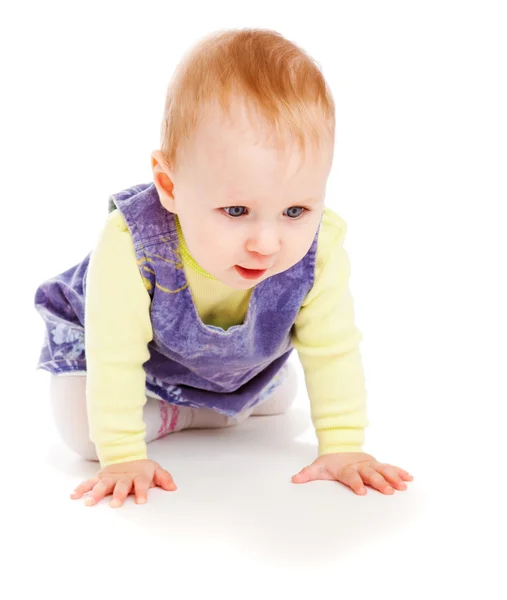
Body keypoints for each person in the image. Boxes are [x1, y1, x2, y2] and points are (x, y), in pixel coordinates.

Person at [34, 28, 413, 508]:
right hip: (111, 352)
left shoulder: (320, 250)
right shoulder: (130, 243)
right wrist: (124, 454)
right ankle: (186, 415)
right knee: (86, 438)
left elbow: (332, 347)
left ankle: (201, 406)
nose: (267, 243)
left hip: (221, 365)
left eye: (296, 211)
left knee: (280, 398)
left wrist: (343, 445)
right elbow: (115, 353)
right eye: (236, 212)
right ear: (170, 186)